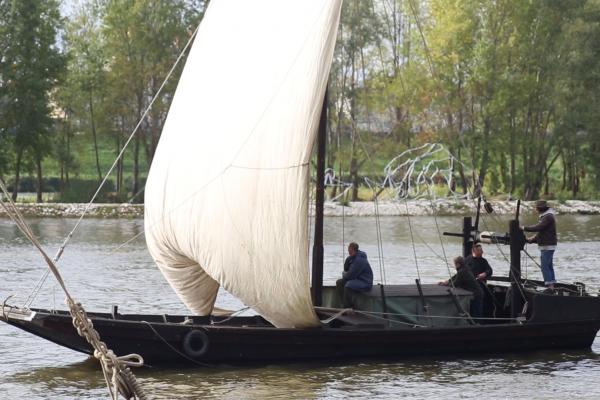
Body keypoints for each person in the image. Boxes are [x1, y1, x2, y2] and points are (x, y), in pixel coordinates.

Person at [521, 200, 557, 289]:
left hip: (547, 245)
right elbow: (542, 232)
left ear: (539, 209)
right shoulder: (546, 216)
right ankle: (552, 284)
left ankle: (550, 286)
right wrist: (532, 240)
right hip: (547, 245)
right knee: (548, 266)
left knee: (545, 266)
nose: (535, 209)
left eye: (536, 208)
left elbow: (538, 227)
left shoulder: (548, 217)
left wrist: (523, 228)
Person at [336, 242, 373, 308]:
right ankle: (343, 303)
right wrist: (347, 260)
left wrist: (344, 274)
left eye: (349, 250)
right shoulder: (353, 257)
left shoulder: (359, 260)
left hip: (365, 282)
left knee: (348, 285)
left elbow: (349, 276)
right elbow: (346, 269)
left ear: (353, 249)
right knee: (339, 282)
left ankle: (348, 308)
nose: (348, 252)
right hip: (357, 279)